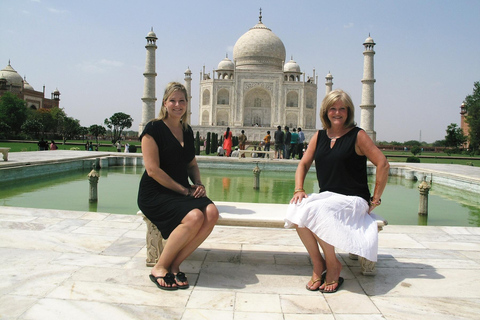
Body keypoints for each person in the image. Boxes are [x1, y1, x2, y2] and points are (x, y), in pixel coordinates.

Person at [285, 89, 389, 293]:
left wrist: (375, 199)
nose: (337, 113)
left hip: (353, 199)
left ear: (349, 111)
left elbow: (382, 164)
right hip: (328, 197)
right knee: (297, 210)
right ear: (326, 111)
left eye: (342, 108)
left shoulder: (357, 135)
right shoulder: (320, 136)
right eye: (333, 108)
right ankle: (318, 263)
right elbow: (303, 164)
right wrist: (299, 189)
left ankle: (333, 265)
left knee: (319, 212)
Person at [137, 82, 219, 291]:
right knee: (195, 216)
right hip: (155, 192)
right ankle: (160, 267)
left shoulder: (186, 130)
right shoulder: (153, 129)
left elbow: (191, 163)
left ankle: (174, 263)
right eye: (173, 100)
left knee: (211, 212)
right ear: (165, 103)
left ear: (187, 104)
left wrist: (198, 184)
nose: (177, 105)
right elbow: (153, 170)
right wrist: (185, 191)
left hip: (181, 190)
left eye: (182, 100)